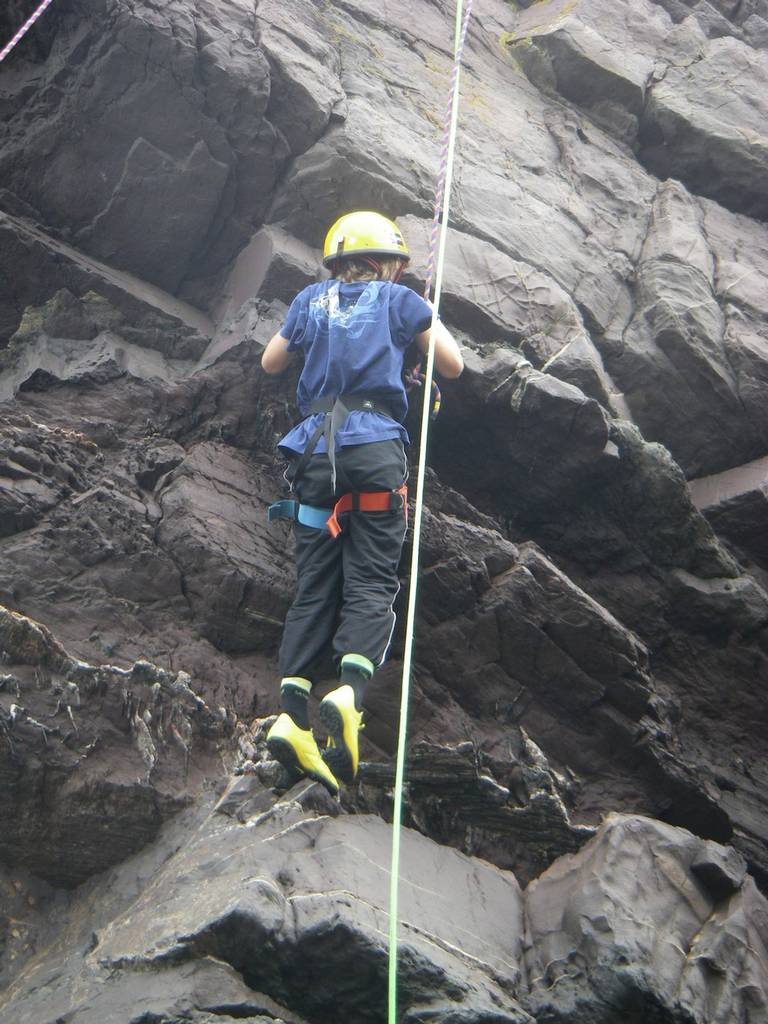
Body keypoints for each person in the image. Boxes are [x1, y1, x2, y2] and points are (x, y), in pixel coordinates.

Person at [261, 211, 463, 795]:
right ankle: (349, 690)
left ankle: (292, 713)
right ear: (392, 264)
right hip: (372, 446)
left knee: (314, 584)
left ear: (337, 261)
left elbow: (271, 362)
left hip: (313, 452)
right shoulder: (399, 301)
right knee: (372, 579)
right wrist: (412, 340)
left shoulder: (308, 299)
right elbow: (452, 365)